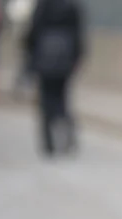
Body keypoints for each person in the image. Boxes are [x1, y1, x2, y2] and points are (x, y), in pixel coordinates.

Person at [25, 0, 85, 157]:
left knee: (46, 100)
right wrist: (77, 57)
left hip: (45, 55)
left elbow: (33, 31)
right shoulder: (72, 5)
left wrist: (30, 57)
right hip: (65, 56)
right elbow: (78, 33)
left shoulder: (43, 5)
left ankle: (48, 143)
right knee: (61, 100)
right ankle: (67, 135)